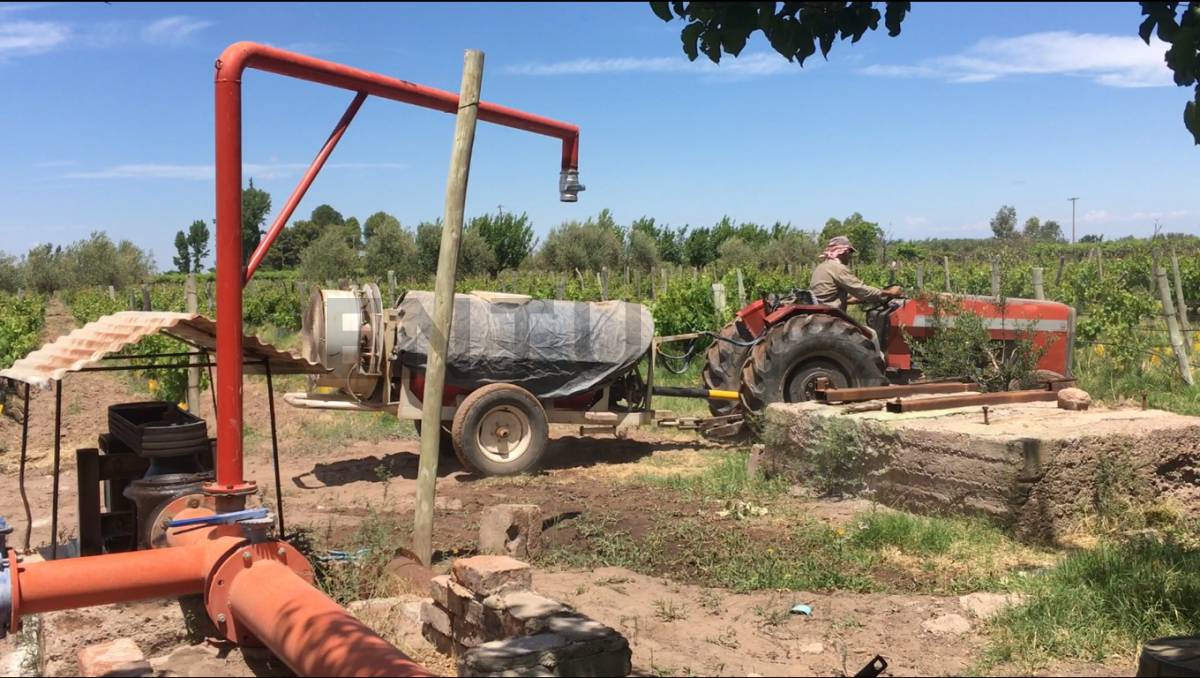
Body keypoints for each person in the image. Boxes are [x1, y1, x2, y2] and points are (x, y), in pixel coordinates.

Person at [809, 235, 902, 311]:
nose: (850, 256)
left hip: (819, 309)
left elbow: (828, 294)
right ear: (842, 252)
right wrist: (890, 292)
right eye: (850, 252)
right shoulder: (838, 268)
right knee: (870, 333)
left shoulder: (821, 267)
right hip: (831, 313)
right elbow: (861, 290)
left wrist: (857, 299)